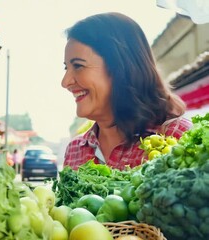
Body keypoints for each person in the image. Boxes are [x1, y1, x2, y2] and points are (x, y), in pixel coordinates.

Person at [61, 12, 192, 170]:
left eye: (78, 65)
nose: (65, 82)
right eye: (66, 67)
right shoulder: (75, 150)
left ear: (120, 68)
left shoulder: (177, 137)